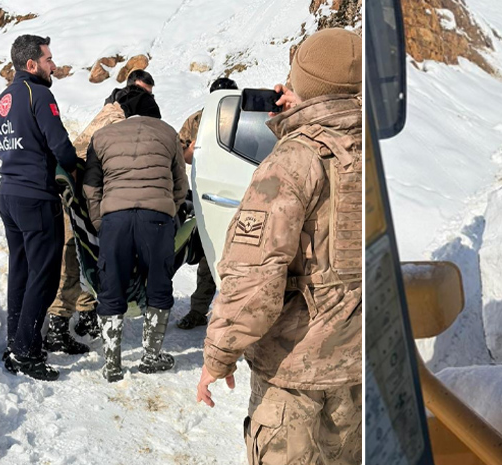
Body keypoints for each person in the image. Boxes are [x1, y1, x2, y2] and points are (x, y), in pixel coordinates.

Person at [196, 28, 363, 465]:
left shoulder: (295, 159)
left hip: (296, 375)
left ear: (301, 81)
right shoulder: (381, 151)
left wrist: (218, 357)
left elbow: (255, 276)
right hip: (360, 369)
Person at [0, 35, 78, 381]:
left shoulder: (0, 100)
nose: (52, 65)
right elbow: (59, 144)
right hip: (36, 198)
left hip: (8, 195)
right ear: (31, 65)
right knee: (44, 275)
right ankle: (25, 352)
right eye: (48, 60)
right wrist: (73, 165)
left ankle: (17, 339)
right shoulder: (38, 94)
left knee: (21, 271)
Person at [83, 92, 188, 382]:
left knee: (111, 285)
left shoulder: (103, 136)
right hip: (156, 219)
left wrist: (99, 221)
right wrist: (168, 210)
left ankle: (112, 365)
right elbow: (181, 183)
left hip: (115, 220)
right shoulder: (168, 133)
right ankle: (151, 357)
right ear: (155, 112)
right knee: (158, 284)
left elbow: (91, 187)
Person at [43, 74, 146, 353]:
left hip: (81, 192)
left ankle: (86, 316)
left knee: (88, 253)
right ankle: (57, 326)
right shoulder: (117, 120)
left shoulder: (108, 113)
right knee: (72, 257)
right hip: (74, 195)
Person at [175, 77, 237, 330]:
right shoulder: (198, 120)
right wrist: (193, 151)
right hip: (209, 193)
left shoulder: (245, 118)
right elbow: (180, 154)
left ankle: (238, 314)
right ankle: (199, 310)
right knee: (208, 253)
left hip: (242, 190)